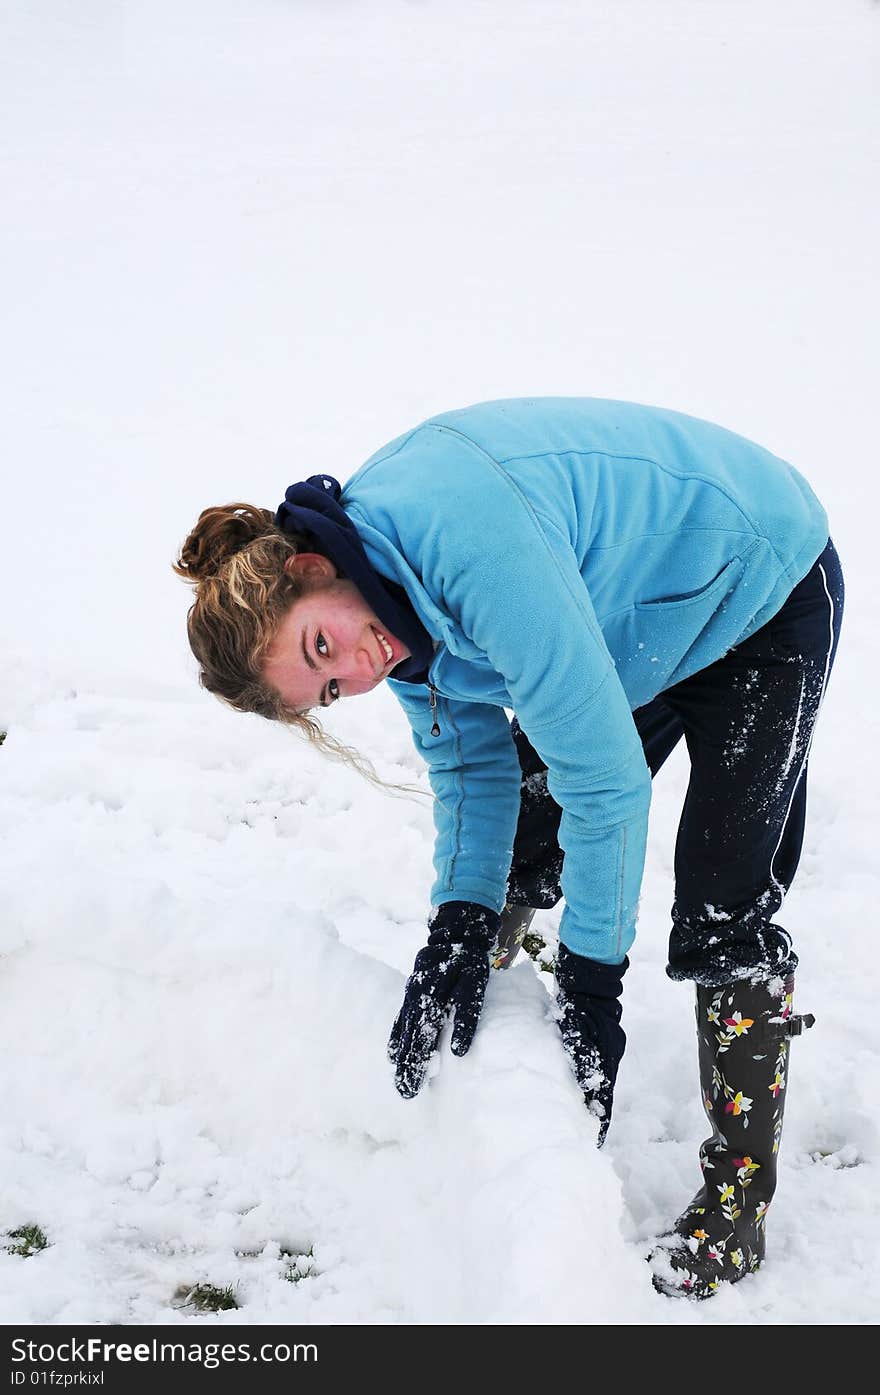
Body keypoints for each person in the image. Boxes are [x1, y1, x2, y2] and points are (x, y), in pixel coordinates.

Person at [174, 397, 843, 1299]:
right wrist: (456, 922)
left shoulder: (465, 543)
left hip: (760, 583)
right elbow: (467, 764)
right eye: (329, 688)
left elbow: (608, 788)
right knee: (528, 818)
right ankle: (491, 1000)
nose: (357, 671)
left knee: (723, 901)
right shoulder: (385, 611)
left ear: (312, 566)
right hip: (634, 623)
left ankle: (738, 1202)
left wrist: (594, 988)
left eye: (322, 644)